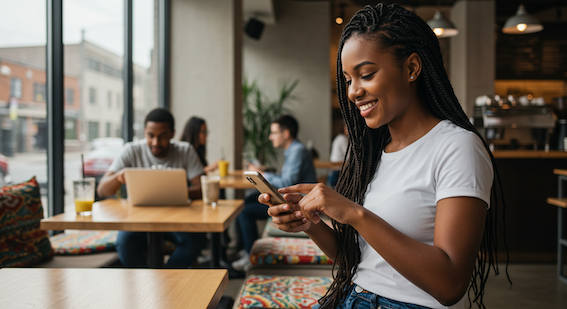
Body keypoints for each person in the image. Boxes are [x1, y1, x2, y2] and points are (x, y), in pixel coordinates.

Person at [261, 4, 509, 309]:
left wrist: (354, 213)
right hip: (355, 296)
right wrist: (309, 223)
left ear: (411, 68)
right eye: (348, 80)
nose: (352, 92)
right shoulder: (375, 153)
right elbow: (355, 258)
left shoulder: (458, 148)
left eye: (366, 74)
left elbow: (450, 283)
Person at [97, 108, 207, 268]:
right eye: (151, 136)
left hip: (177, 218)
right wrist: (118, 176)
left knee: (195, 242)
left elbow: (202, 188)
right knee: (125, 242)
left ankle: (166, 283)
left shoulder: (185, 151)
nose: (155, 142)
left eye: (162, 136)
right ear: (144, 132)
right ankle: (147, 285)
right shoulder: (131, 150)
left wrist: (176, 193)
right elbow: (102, 190)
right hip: (138, 219)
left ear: (172, 133)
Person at [232, 114, 317, 271]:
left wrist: (261, 174)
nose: (270, 137)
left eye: (273, 133)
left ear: (285, 134)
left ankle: (250, 256)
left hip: (299, 205)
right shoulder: (293, 150)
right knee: (249, 200)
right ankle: (243, 249)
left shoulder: (298, 151)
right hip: (293, 200)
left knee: (244, 211)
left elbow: (286, 183)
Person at [327, 122, 348, 188]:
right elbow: (350, 156)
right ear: (344, 128)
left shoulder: (339, 138)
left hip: (334, 171)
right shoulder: (342, 139)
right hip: (338, 172)